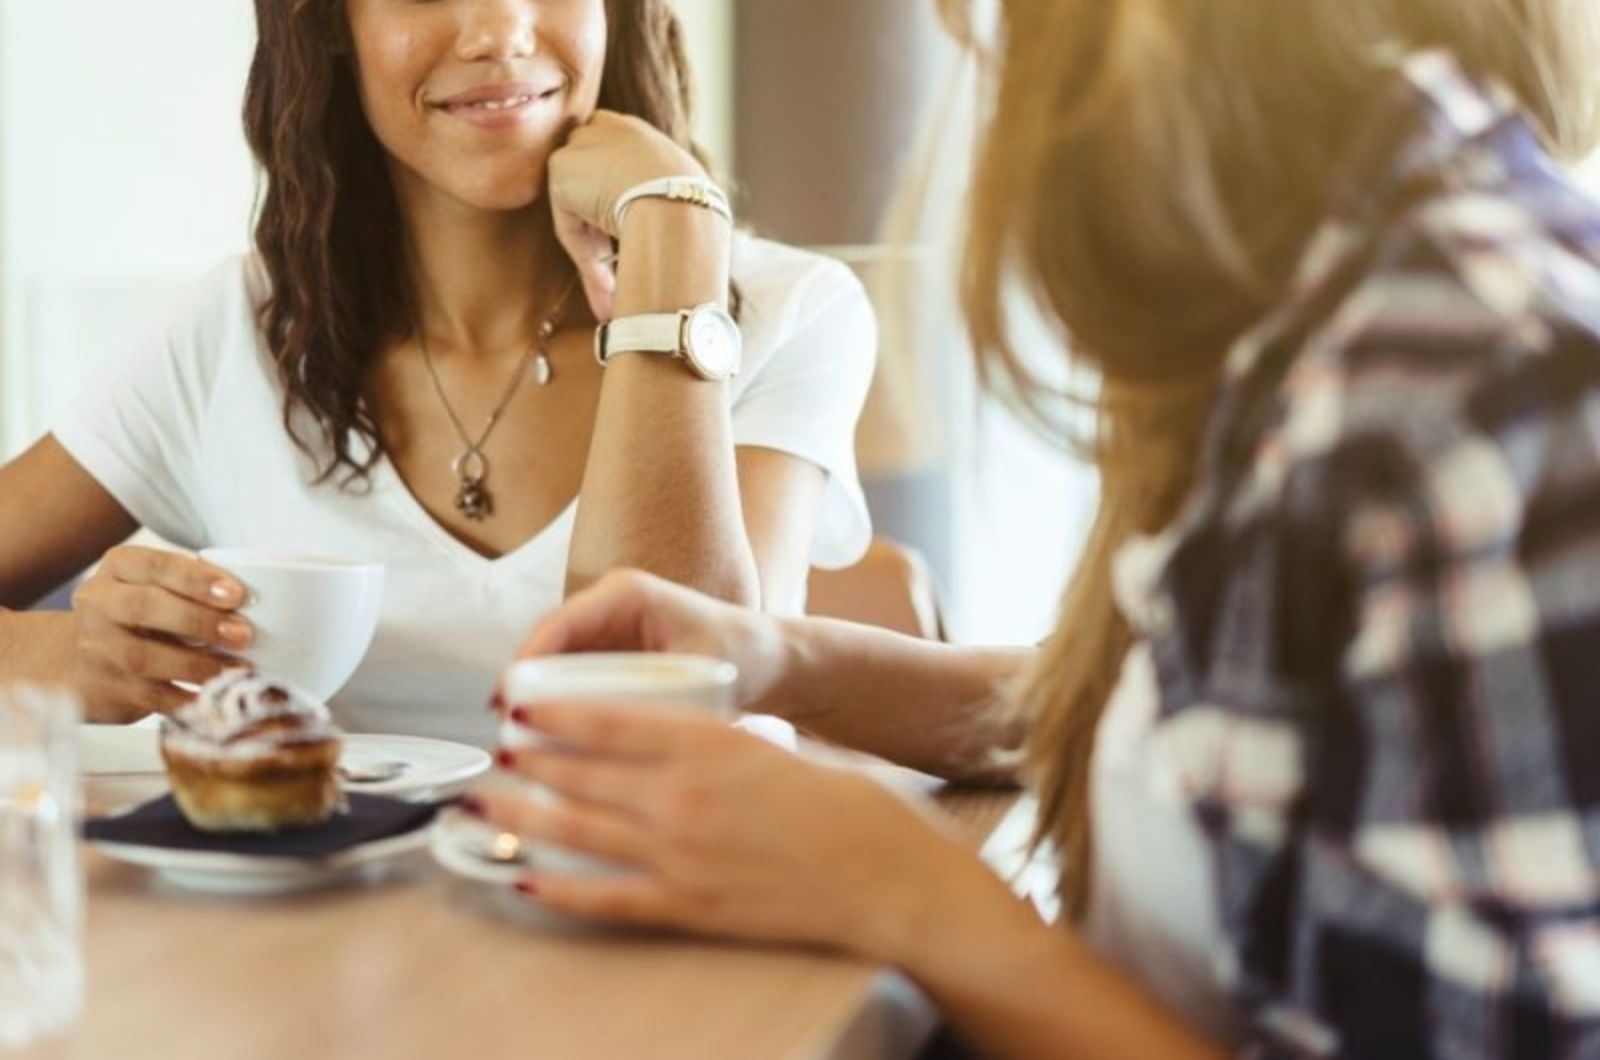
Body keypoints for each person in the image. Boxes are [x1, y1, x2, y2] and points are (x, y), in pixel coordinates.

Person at [465, 0, 1600, 1055]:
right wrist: (787, 661)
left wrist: (901, 889)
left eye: (1001, 43)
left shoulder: (1478, 401)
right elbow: (1241, 734)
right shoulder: (1351, 302)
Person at [0, 0, 875, 744]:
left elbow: (671, 706)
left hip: (675, 931)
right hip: (334, 931)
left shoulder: (791, 311)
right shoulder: (233, 333)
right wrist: (76, 658)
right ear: (333, 25)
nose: (500, 30)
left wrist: (674, 234)